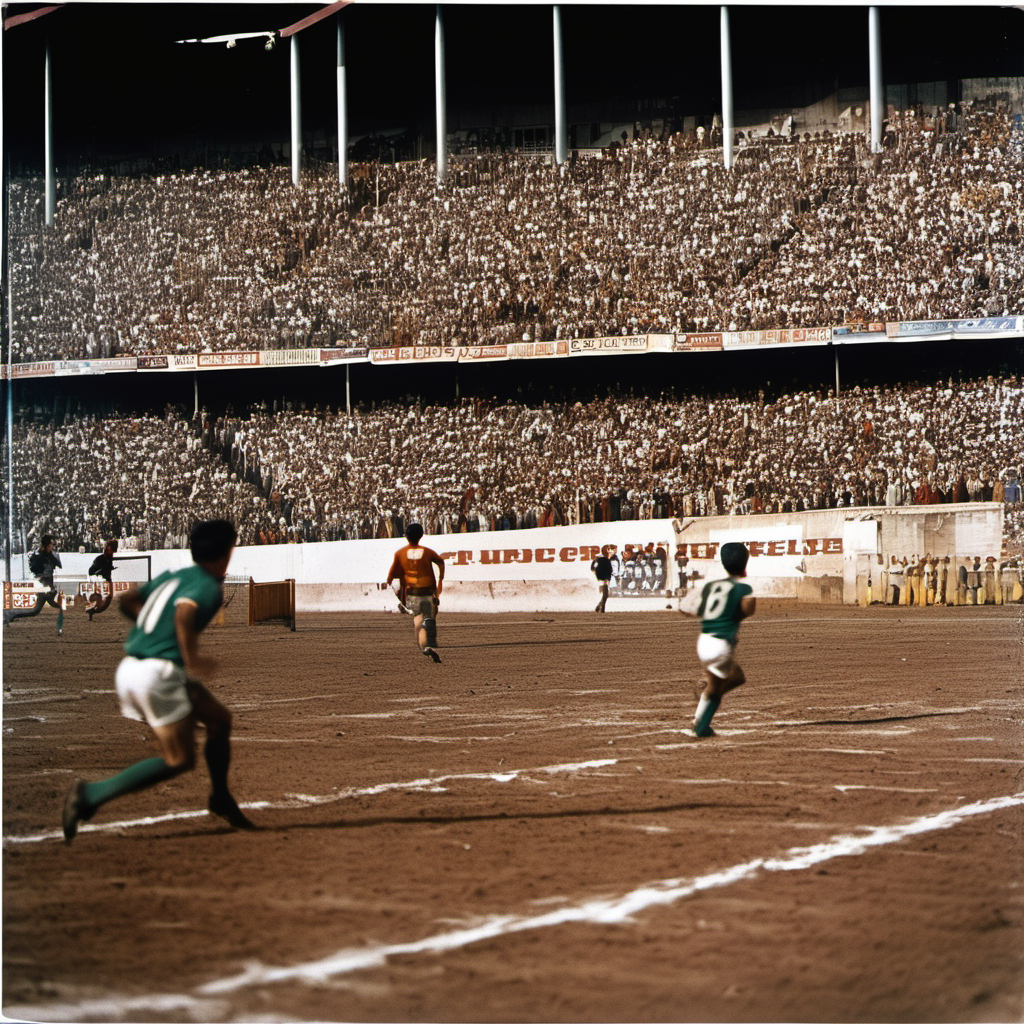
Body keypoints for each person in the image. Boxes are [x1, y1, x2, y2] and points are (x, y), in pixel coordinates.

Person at [62, 519, 255, 844]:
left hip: (133, 668)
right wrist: (190, 655)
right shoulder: (209, 587)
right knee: (180, 758)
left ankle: (220, 797)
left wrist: (153, 630)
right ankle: (90, 795)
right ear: (227, 552)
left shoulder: (176, 576)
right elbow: (183, 613)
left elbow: (127, 601)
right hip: (156, 676)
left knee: (219, 719)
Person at [677, 542, 756, 738]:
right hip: (721, 643)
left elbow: (687, 608)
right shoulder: (743, 588)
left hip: (704, 641)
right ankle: (701, 726)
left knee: (719, 681)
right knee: (730, 681)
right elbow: (748, 610)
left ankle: (699, 718)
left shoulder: (712, 586)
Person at [386, 523, 445, 662]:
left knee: (417, 619)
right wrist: (441, 579)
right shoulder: (427, 552)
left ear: (406, 536)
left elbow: (391, 576)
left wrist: (394, 589)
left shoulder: (400, 553)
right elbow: (440, 562)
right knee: (429, 617)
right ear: (421, 535)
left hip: (413, 593)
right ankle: (429, 640)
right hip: (429, 591)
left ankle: (424, 644)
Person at [5, 535, 64, 628]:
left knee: (45, 606)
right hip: (43, 587)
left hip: (48, 586)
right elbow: (35, 571)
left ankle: (12, 614)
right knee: (35, 610)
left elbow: (58, 565)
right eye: (51, 544)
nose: (52, 547)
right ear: (47, 545)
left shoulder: (49, 556)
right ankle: (13, 614)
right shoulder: (38, 556)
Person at [85, 539, 119, 620]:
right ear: (108, 547)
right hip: (102, 580)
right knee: (102, 598)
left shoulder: (109, 558)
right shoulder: (100, 558)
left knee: (108, 599)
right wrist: (101, 572)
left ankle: (92, 611)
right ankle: (91, 610)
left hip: (107, 579)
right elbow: (91, 571)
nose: (112, 552)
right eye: (112, 549)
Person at [591, 546, 613, 612]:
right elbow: (610, 570)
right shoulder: (605, 560)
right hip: (604, 578)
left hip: (600, 578)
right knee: (606, 594)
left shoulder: (597, 559)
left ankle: (600, 606)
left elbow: (592, 568)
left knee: (605, 594)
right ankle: (602, 606)